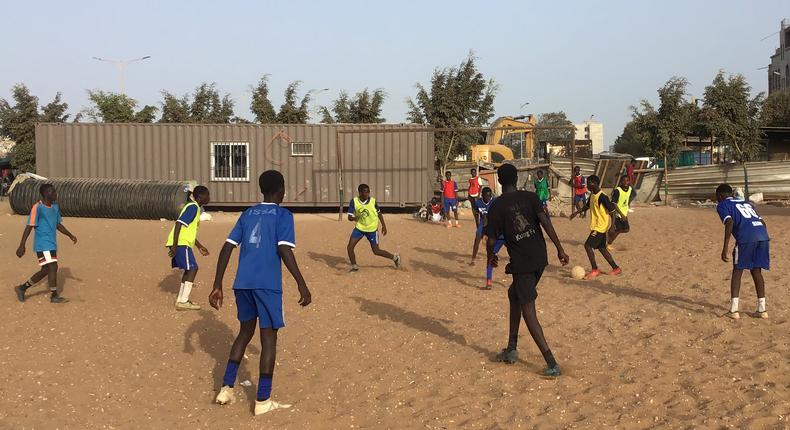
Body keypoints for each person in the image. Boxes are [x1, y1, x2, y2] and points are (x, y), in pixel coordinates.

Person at [210, 170, 312, 416]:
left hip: (242, 283)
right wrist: (301, 282)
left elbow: (227, 248)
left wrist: (217, 284)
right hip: (267, 284)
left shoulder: (248, 213)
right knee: (269, 339)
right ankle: (263, 400)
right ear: (282, 190)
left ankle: (226, 387)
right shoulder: (283, 215)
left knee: (244, 332)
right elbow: (285, 250)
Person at [485, 163, 569, 377]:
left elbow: (491, 238)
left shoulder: (496, 206)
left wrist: (491, 256)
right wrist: (560, 250)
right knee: (514, 294)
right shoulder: (531, 198)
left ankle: (552, 363)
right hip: (540, 258)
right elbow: (546, 224)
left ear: (500, 181)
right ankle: (511, 348)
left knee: (528, 310)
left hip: (522, 263)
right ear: (517, 178)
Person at [14, 184, 77, 303]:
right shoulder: (37, 207)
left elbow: (58, 224)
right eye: (53, 192)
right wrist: (22, 245)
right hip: (42, 244)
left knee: (45, 270)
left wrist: (70, 235)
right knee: (53, 266)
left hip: (51, 244)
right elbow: (29, 226)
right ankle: (54, 295)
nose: (55, 194)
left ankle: (22, 288)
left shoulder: (55, 207)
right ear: (46, 193)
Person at [715, 184, 770, 319]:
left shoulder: (722, 205)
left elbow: (729, 223)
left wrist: (725, 247)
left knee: (737, 271)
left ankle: (734, 310)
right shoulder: (747, 203)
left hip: (746, 239)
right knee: (756, 271)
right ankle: (762, 310)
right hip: (763, 237)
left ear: (720, 196)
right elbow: (762, 222)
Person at [570, 175, 626, 279]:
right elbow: (587, 206)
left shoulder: (602, 196)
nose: (587, 186)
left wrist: (612, 225)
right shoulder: (592, 195)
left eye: (588, 183)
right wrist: (576, 212)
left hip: (600, 227)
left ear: (594, 184)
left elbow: (612, 211)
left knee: (587, 246)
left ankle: (595, 269)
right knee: (602, 249)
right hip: (596, 226)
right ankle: (616, 268)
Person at [166, 186, 211, 311]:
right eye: (208, 195)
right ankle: (184, 301)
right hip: (181, 243)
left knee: (188, 269)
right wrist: (174, 246)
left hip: (183, 243)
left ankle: (181, 300)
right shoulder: (193, 207)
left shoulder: (194, 208)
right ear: (200, 197)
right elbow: (179, 223)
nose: (209, 198)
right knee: (193, 268)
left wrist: (199, 246)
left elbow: (188, 229)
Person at [347, 184, 401, 272]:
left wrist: (384, 226)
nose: (367, 194)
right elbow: (349, 217)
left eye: (368, 192)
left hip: (372, 229)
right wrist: (354, 218)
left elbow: (379, 213)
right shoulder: (354, 201)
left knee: (376, 251)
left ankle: (395, 258)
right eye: (365, 192)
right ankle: (354, 267)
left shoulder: (373, 201)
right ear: (360, 193)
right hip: (360, 228)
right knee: (350, 247)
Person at [469, 187, 505, 290]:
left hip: (494, 226)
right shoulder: (478, 203)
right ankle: (473, 258)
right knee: (477, 237)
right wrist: (479, 226)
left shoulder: (494, 201)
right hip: (483, 224)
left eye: (490, 195)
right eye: (487, 196)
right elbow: (476, 214)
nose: (489, 197)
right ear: (482, 196)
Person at [607, 175, 636, 248]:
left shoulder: (630, 189)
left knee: (626, 229)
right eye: (623, 181)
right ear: (621, 182)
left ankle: (609, 233)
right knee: (619, 229)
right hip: (616, 213)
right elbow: (614, 203)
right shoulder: (617, 190)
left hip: (624, 213)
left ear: (629, 181)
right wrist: (621, 214)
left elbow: (631, 196)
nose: (625, 182)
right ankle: (609, 243)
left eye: (627, 180)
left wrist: (628, 203)